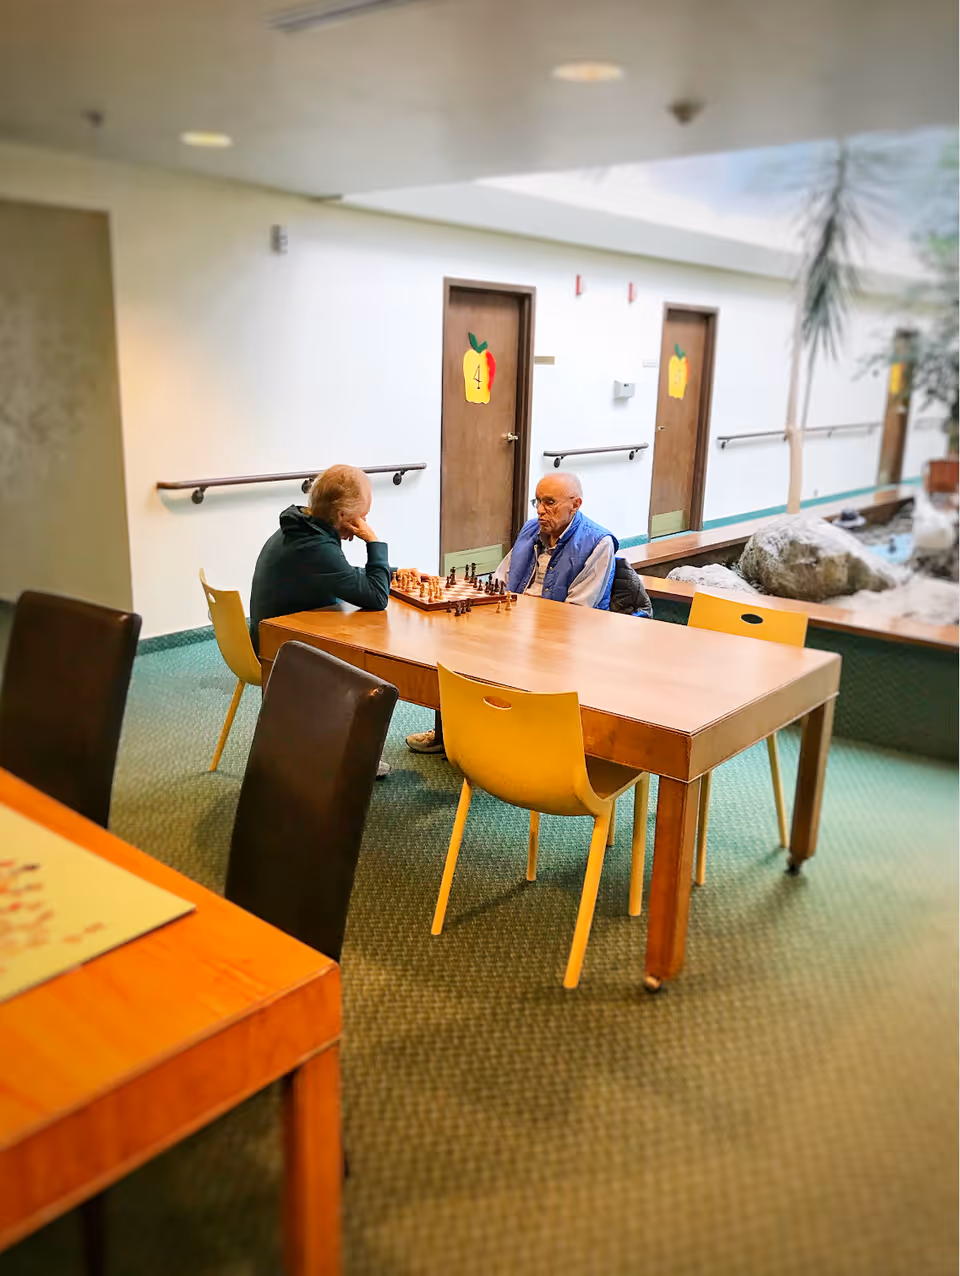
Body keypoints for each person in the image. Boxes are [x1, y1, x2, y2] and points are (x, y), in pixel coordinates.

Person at [406, 471, 638, 757]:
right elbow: (501, 578)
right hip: (518, 620)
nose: (541, 510)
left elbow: (578, 612)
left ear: (576, 504)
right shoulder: (531, 529)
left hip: (568, 635)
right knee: (459, 642)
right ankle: (450, 732)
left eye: (550, 502)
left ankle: (503, 740)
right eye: (537, 501)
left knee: (507, 654)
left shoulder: (598, 542)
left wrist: (520, 625)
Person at [249, 464, 392, 774]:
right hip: (282, 650)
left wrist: (393, 573)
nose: (362, 524)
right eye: (361, 517)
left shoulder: (301, 527)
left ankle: (335, 742)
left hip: (277, 635)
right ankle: (351, 753)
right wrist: (374, 543)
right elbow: (377, 598)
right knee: (371, 660)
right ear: (342, 516)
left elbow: (340, 575)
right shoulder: (314, 546)